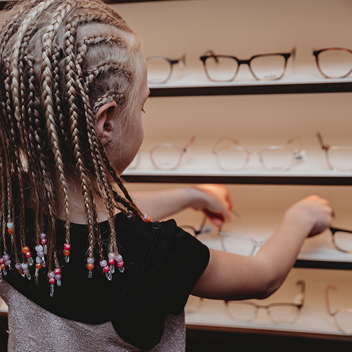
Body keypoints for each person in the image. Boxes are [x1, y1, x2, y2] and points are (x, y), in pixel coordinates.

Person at [0, 0, 333, 351]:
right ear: (107, 122)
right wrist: (301, 216)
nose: (142, 113)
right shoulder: (160, 255)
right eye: (142, 104)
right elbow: (263, 276)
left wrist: (191, 194)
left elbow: (100, 220)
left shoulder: (11, 212)